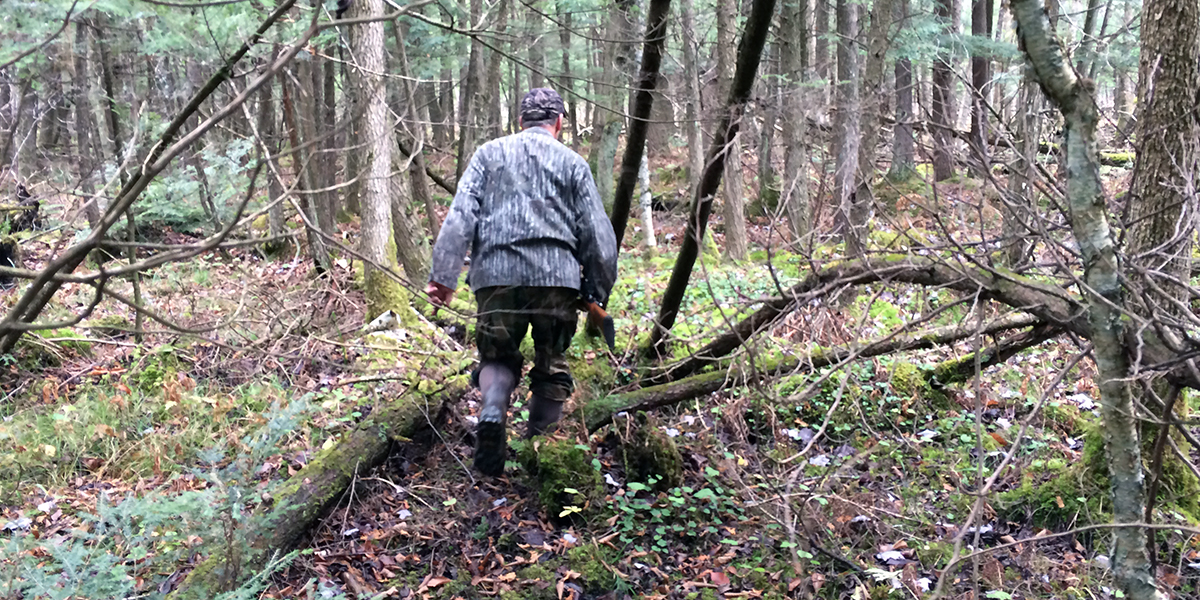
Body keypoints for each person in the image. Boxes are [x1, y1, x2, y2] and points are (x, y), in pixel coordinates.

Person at [424, 88, 618, 476]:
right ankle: (539, 451)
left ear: (520, 121)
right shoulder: (573, 164)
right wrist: (597, 291)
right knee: (551, 365)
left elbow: (460, 217)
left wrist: (442, 279)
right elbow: (598, 236)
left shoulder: (487, 156)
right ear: (559, 123)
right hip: (557, 280)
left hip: (495, 277)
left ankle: (493, 408)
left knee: (497, 356)